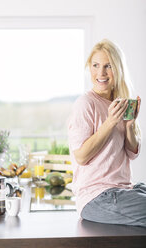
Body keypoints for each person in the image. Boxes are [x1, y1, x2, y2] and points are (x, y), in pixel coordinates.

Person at [68, 39, 146, 227]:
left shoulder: (119, 103)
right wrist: (110, 122)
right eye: (95, 65)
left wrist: (129, 125)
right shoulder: (86, 103)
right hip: (96, 196)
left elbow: (132, 152)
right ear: (89, 68)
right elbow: (81, 156)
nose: (101, 73)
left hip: (124, 189)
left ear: (118, 69)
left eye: (108, 66)